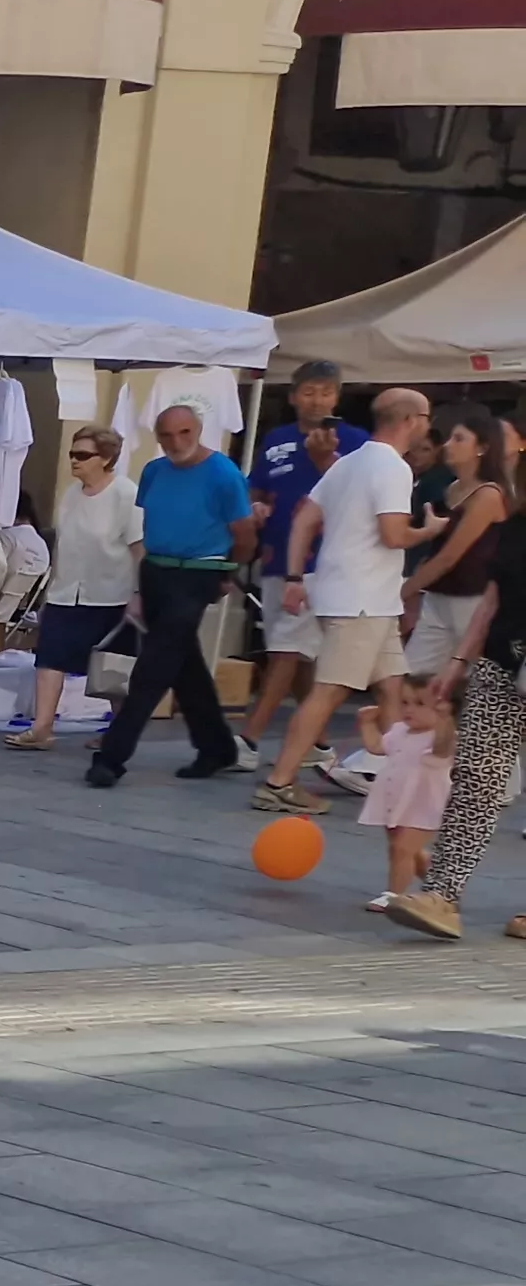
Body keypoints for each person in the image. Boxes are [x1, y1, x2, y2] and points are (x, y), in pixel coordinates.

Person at [251, 387, 430, 814]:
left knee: (393, 686)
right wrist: (431, 531)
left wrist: (295, 576)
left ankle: (396, 780)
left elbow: (304, 519)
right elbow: (393, 535)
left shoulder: (348, 463)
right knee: (328, 692)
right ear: (410, 420)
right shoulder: (394, 468)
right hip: (361, 600)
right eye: (426, 418)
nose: (428, 426)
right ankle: (280, 782)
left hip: (364, 598)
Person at [389, 457, 526, 939]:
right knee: (475, 778)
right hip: (500, 664)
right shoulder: (516, 524)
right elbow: (494, 598)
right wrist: (459, 660)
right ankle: (442, 896)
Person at [89, 406, 259, 787]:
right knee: (184, 664)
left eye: (184, 433)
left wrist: (227, 572)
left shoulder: (223, 474)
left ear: (198, 430)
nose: (176, 442)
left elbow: (244, 532)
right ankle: (217, 746)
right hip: (157, 570)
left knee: (154, 664)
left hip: (199, 571)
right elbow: (150, 521)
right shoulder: (154, 471)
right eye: (167, 435)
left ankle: (112, 757)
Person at [241, 362, 367, 761]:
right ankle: (318, 742)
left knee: (286, 649)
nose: (317, 401)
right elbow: (256, 487)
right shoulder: (276, 439)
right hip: (276, 557)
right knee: (295, 652)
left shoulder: (357, 442)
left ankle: (248, 738)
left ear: (337, 397)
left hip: (321, 561)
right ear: (294, 396)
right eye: (309, 392)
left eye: (326, 392)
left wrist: (325, 459)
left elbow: (361, 497)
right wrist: (256, 506)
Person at [15, 425, 143, 752]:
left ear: (106, 458)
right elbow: (63, 546)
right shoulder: (71, 495)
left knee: (112, 668)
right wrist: (48, 594)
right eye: (73, 454)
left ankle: (119, 732)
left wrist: (138, 594)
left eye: (83, 455)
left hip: (110, 594)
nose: (74, 460)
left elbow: (139, 549)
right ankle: (42, 727)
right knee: (49, 658)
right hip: (65, 591)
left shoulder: (126, 494)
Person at [402, 404, 507, 687]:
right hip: (438, 596)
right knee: (412, 676)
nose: (448, 445)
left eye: (459, 439)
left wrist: (405, 591)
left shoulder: (488, 494)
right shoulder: (450, 489)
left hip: (472, 598)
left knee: (472, 681)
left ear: (482, 448)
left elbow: (449, 556)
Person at [358, 692, 453, 916]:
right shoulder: (400, 730)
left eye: (419, 704)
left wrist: (445, 720)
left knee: (402, 849)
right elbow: (377, 746)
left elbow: (442, 750)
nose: (409, 709)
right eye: (405, 702)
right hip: (395, 799)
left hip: (425, 802)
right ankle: (441, 886)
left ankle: (393, 895)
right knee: (405, 849)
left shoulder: (442, 736)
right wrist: (367, 723)